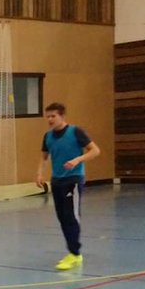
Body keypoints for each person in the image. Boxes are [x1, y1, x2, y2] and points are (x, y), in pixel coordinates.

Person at [35, 103, 101, 271]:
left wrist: (77, 160)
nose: (50, 119)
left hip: (73, 179)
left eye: (53, 116)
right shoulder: (47, 136)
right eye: (48, 116)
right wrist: (39, 173)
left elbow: (95, 151)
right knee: (62, 218)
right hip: (57, 181)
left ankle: (75, 254)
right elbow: (44, 157)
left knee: (71, 216)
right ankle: (72, 252)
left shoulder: (76, 132)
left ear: (62, 116)